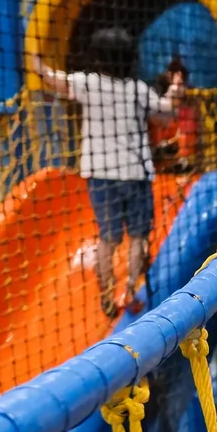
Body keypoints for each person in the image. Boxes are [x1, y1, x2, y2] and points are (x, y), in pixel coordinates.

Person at [29, 27, 183, 317]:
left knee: (108, 238)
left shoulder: (89, 83)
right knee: (138, 237)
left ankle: (106, 295)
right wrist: (175, 90)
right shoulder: (137, 89)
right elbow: (165, 115)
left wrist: (35, 60)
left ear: (98, 58)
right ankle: (129, 290)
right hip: (135, 173)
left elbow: (53, 80)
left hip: (101, 174)